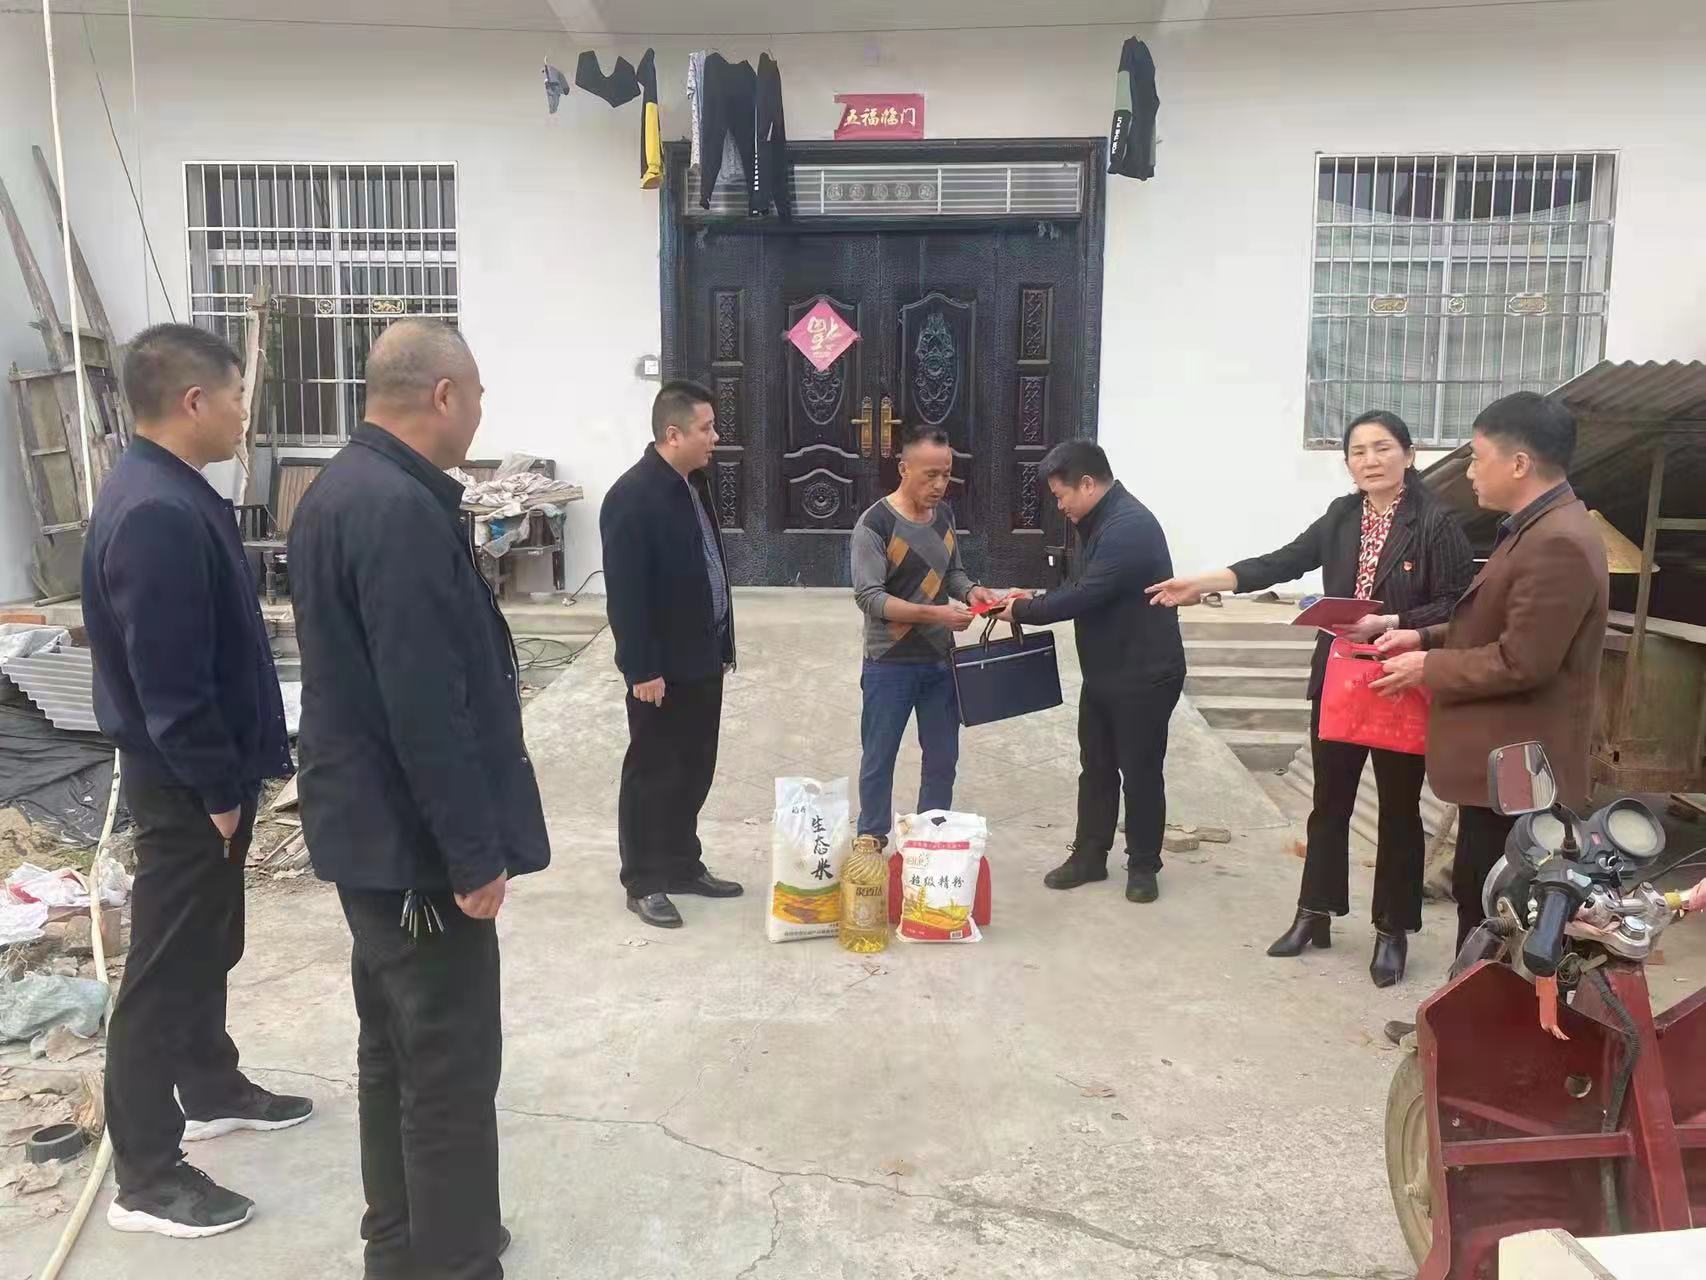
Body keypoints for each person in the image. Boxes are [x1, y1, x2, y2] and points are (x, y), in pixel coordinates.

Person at [290, 320, 549, 1279]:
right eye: (475, 396)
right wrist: (472, 857)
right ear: (443, 394)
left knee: (394, 1050)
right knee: (447, 1067)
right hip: (414, 852)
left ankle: (401, 1243)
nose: (479, 413)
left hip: (370, 836)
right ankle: (454, 1259)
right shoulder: (396, 508)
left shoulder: (340, 490)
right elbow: (424, 705)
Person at [82, 324, 310, 1239]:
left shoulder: (180, 492)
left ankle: (209, 1085)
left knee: (208, 943)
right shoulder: (155, 513)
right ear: (193, 401)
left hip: (209, 773)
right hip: (184, 782)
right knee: (163, 970)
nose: (244, 415)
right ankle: (146, 1174)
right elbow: (170, 685)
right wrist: (218, 790)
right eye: (237, 397)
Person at [1148, 411, 1473, 986]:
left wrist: (1390, 622)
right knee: (1329, 803)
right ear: (1347, 463)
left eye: (1382, 448)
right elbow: (1282, 562)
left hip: (1400, 676)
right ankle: (1313, 913)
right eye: (1358, 451)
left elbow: (1456, 605)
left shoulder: (1437, 522)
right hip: (1341, 677)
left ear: (1408, 454)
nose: (1370, 461)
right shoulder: (1342, 515)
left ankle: (1392, 929)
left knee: (1399, 813)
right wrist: (1203, 582)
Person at [1372, 392, 1607, 956]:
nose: (1471, 472)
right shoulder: (1532, 528)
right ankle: (1467, 1005)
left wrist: (1428, 666)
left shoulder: (1558, 542)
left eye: (1478, 458)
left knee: (1499, 910)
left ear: (1519, 463)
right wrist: (1424, 636)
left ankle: (1480, 1010)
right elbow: (1495, 622)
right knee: (1480, 897)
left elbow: (1522, 660)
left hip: (1522, 771)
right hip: (1504, 767)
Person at [999, 440, 1185, 903]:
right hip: (1105, 670)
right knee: (1096, 766)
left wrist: (1022, 610)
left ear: (1086, 484)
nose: (1059, 506)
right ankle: (1090, 855)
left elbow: (1086, 595)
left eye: (1060, 495)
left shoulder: (1129, 527)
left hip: (1144, 673)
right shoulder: (1096, 520)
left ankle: (1143, 865)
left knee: (1140, 771)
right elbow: (1078, 582)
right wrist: (1034, 596)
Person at [600, 380, 743, 929]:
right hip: (660, 670)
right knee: (653, 773)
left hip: (703, 656)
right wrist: (642, 668)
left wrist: (723, 643)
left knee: (694, 768)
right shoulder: (632, 497)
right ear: (673, 433)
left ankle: (682, 864)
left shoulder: (693, 484)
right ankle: (643, 880)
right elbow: (626, 595)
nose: (715, 437)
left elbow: (709, 566)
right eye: (706, 428)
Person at [850, 425, 1005, 859]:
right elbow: (870, 598)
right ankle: (872, 835)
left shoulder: (944, 516)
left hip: (939, 660)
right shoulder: (874, 524)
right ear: (904, 469)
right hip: (889, 662)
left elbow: (952, 572)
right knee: (879, 756)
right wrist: (936, 614)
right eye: (930, 475)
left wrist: (972, 592)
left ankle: (930, 836)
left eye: (946, 474)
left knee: (941, 757)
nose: (939, 485)